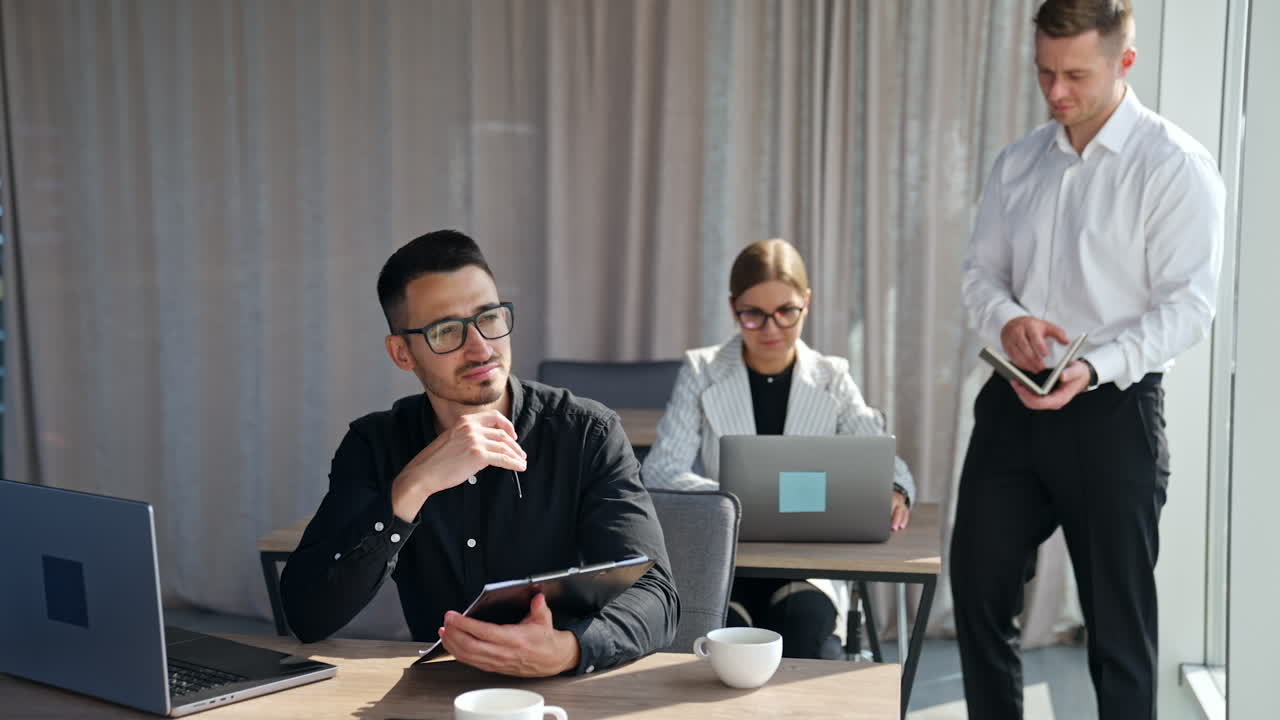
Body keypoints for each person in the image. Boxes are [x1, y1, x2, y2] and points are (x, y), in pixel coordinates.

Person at [953, 0, 1225, 717]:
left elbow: (1189, 307)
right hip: (1012, 407)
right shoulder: (1018, 161)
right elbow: (980, 274)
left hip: (1114, 415)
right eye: (1045, 73)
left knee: (1117, 630)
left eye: (1075, 75)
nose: (1056, 93)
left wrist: (1095, 365)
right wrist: (1010, 320)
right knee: (978, 593)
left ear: (1123, 62)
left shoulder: (1175, 166)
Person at [280, 230, 679, 677]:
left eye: (488, 318)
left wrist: (568, 649)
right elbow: (307, 616)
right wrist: (412, 487)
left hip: (565, 691)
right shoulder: (374, 444)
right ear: (402, 353)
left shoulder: (587, 432)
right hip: (433, 696)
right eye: (446, 330)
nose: (482, 348)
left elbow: (658, 599)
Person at [642, 238, 916, 659]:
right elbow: (660, 471)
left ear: (806, 302)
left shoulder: (832, 376)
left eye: (786, 312)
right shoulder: (702, 370)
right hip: (728, 561)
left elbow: (878, 450)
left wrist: (896, 487)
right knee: (728, 648)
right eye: (754, 314)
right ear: (734, 308)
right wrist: (735, 502)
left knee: (804, 635)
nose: (771, 329)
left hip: (808, 564)